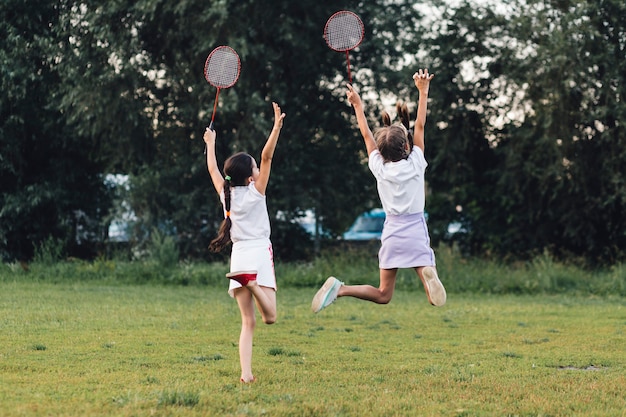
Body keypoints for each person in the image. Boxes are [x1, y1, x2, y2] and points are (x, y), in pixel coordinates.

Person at [311, 69, 446, 313]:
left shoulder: (379, 168)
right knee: (431, 290)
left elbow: (365, 134)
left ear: (381, 153)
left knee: (384, 295)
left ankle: (340, 289)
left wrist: (358, 106)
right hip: (415, 228)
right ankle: (429, 274)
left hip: (392, 232)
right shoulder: (416, 163)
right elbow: (422, 126)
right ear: (407, 146)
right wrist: (423, 92)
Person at [204, 102, 286, 383]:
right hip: (259, 254)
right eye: (255, 168)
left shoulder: (226, 194)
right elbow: (267, 156)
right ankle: (251, 282)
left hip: (238, 257)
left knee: (248, 322)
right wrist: (276, 127)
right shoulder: (257, 191)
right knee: (270, 317)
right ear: (251, 176)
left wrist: (210, 142)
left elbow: (213, 168)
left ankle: (246, 375)